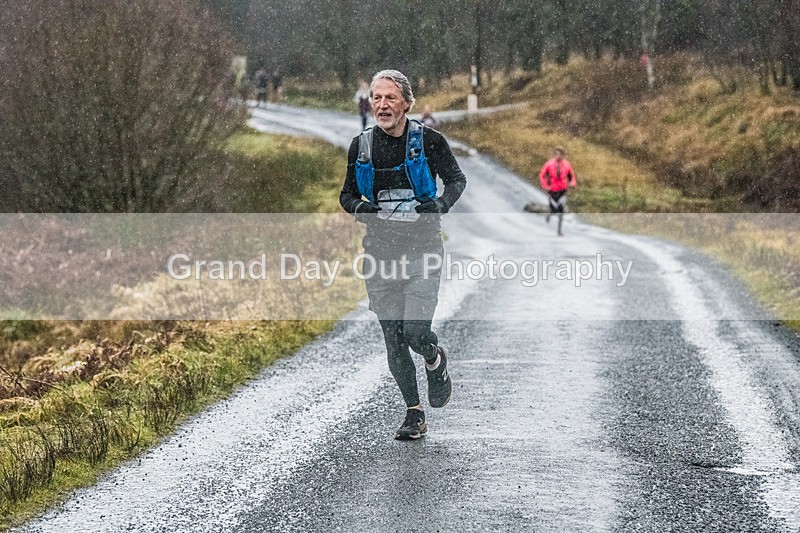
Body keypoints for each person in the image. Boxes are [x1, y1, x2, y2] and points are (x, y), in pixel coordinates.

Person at [340, 70, 467, 440]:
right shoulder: (361, 146)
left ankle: (434, 358)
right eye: (377, 98)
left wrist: (440, 204)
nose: (382, 105)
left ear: (407, 104)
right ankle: (414, 413)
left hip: (423, 249)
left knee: (414, 331)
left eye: (390, 98)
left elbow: (457, 180)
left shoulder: (429, 141)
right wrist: (363, 210)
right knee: (393, 337)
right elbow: (347, 195)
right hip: (379, 254)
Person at [539, 145, 577, 236]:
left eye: (560, 154)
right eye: (556, 154)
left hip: (562, 191)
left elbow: (572, 177)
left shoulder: (567, 165)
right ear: (554, 154)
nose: (558, 156)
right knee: (553, 209)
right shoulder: (549, 164)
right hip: (552, 190)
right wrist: (545, 185)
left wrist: (572, 184)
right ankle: (549, 215)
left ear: (563, 155)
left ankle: (559, 230)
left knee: (561, 211)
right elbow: (542, 175)